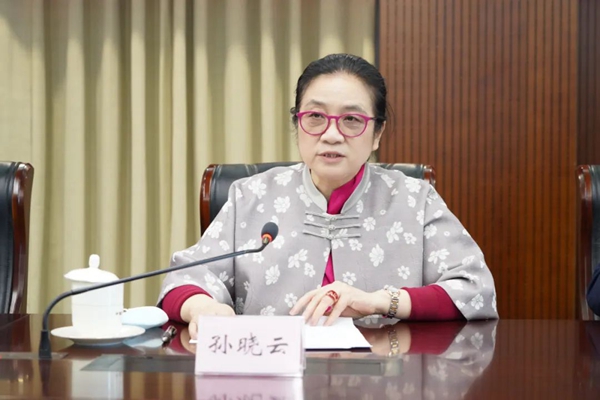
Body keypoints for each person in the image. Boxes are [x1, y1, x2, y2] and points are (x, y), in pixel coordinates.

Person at [158, 53, 498, 338]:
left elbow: (474, 290)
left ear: (377, 133)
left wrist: (380, 301)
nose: (332, 135)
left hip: (384, 378)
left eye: (351, 119)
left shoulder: (414, 199)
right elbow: (183, 282)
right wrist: (202, 307)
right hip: (274, 375)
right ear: (297, 124)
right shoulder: (251, 196)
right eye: (316, 117)